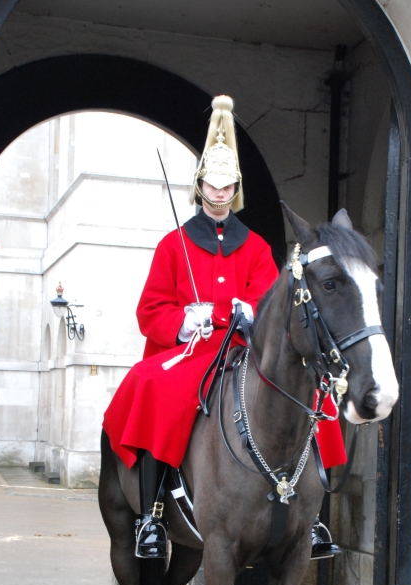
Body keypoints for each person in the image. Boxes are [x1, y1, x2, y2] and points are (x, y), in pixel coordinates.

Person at [102, 95, 346, 560]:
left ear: (235, 189)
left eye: (226, 185)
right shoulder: (172, 246)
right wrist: (188, 317)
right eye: (211, 185)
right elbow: (149, 311)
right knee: (153, 384)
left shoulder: (254, 246)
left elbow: (268, 301)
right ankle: (152, 516)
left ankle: (313, 519)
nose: (218, 193)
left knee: (316, 395)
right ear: (200, 187)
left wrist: (246, 311)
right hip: (191, 350)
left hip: (243, 347)